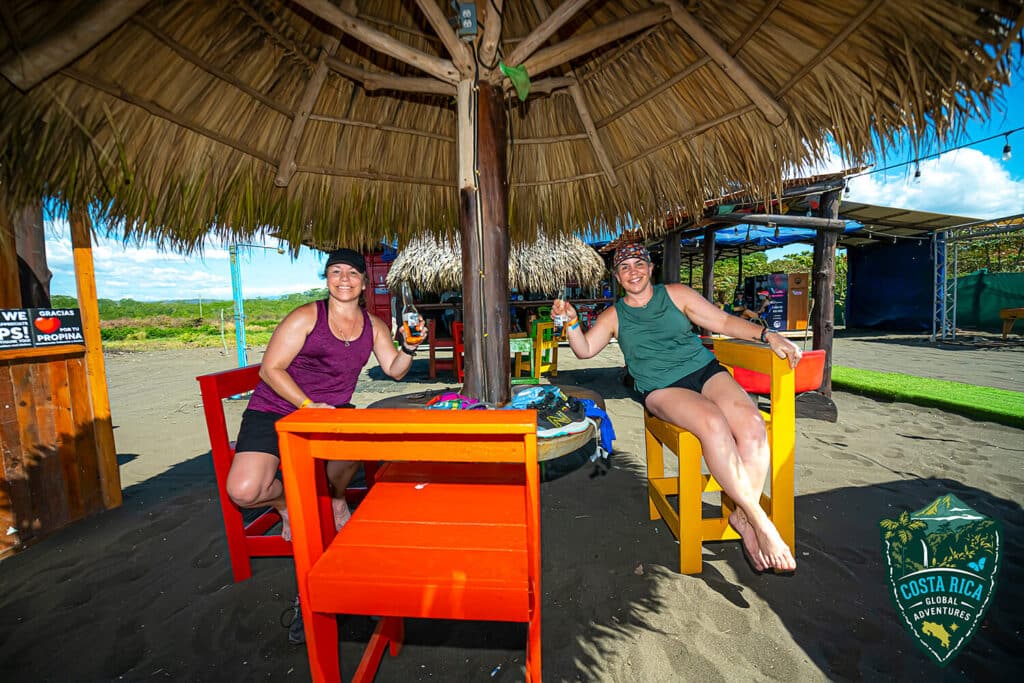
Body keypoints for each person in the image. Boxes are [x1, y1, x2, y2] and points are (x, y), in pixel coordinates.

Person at [553, 243, 801, 572]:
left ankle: (743, 517)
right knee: (713, 423)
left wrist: (768, 335)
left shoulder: (675, 294)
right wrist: (571, 323)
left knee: (752, 425)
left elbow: (723, 322)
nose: (632, 271)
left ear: (650, 268)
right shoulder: (614, 316)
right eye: (624, 267)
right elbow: (584, 350)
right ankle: (761, 522)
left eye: (638, 263)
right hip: (661, 388)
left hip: (704, 371)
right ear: (617, 277)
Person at [226, 247, 422, 545]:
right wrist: (307, 405)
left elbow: (395, 370)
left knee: (356, 442)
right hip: (274, 410)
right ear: (327, 278)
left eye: (353, 273)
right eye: (336, 272)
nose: (344, 279)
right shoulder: (305, 317)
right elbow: (270, 370)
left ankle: (336, 499)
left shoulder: (374, 326)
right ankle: (286, 504)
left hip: (332, 410)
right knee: (244, 491)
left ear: (364, 283)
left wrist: (409, 347)